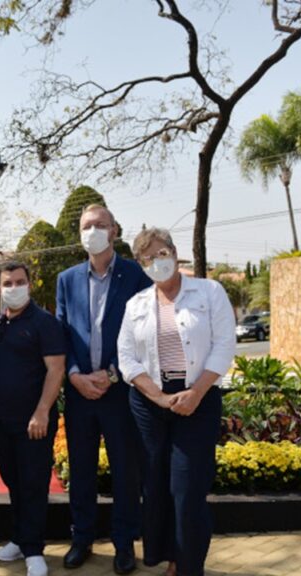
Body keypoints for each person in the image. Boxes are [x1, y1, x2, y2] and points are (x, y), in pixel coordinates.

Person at [117, 229, 234, 576]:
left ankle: (188, 565)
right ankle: (168, 558)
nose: (157, 262)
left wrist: (196, 392)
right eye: (148, 258)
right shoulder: (136, 304)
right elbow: (126, 357)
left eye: (162, 253)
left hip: (197, 399)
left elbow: (225, 344)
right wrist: (159, 397)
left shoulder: (209, 291)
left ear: (174, 252)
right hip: (150, 404)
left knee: (187, 488)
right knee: (154, 486)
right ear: (141, 264)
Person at [55, 204, 151, 574]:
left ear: (114, 231)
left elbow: (142, 335)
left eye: (100, 225)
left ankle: (124, 544)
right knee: (80, 470)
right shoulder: (67, 279)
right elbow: (62, 332)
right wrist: (76, 375)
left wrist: (110, 376)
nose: (92, 231)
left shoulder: (135, 276)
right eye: (86, 226)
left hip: (120, 393)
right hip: (80, 393)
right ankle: (82, 539)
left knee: (126, 472)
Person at [0, 262, 65, 576]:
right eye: (8, 283)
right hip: (1, 420)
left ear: (30, 285)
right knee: (14, 483)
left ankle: (34, 550)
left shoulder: (45, 323)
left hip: (34, 421)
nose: (14, 288)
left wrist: (42, 411)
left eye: (20, 282)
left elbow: (56, 370)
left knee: (33, 484)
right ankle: (19, 539)